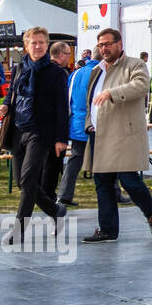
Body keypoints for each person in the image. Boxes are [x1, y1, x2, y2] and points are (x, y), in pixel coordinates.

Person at [81, 28, 152, 243]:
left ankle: (151, 212)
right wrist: (89, 123)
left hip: (124, 135)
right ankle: (108, 230)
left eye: (108, 44)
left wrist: (112, 93)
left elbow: (142, 85)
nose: (104, 49)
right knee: (103, 184)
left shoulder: (135, 64)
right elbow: (89, 101)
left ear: (119, 44)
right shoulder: (96, 70)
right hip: (99, 136)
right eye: (100, 45)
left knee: (129, 181)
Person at [0, 27, 70, 244]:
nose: (37, 46)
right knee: (22, 182)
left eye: (41, 43)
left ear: (47, 45)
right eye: (33, 43)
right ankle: (55, 210)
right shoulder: (20, 67)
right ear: (26, 46)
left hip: (41, 132)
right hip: (18, 130)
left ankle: (19, 230)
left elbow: (62, 108)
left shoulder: (56, 73)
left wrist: (61, 138)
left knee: (28, 180)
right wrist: (5, 106)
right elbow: (11, 93)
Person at [60, 47, 99, 206]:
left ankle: (64, 194)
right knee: (106, 161)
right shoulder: (101, 73)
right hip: (96, 122)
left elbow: (68, 99)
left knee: (75, 160)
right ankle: (115, 193)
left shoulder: (76, 73)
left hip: (78, 122)